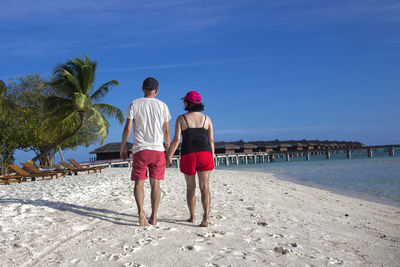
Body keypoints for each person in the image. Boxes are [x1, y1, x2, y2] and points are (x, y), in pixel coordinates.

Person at [120, 77, 171, 226]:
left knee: (139, 183)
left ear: (142, 89)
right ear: (156, 90)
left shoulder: (134, 104)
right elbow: (167, 132)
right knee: (156, 184)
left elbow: (128, 128)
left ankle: (141, 214)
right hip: (157, 150)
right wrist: (169, 153)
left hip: (140, 149)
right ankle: (154, 217)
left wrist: (123, 146)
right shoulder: (163, 106)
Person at [166, 91, 214, 227]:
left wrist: (169, 156)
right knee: (205, 187)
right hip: (205, 153)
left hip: (188, 155)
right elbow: (211, 140)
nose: (183, 103)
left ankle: (192, 217)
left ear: (188, 103)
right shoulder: (207, 119)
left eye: (184, 101)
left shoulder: (181, 118)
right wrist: (212, 156)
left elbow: (176, 140)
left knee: (190, 188)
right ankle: (205, 218)